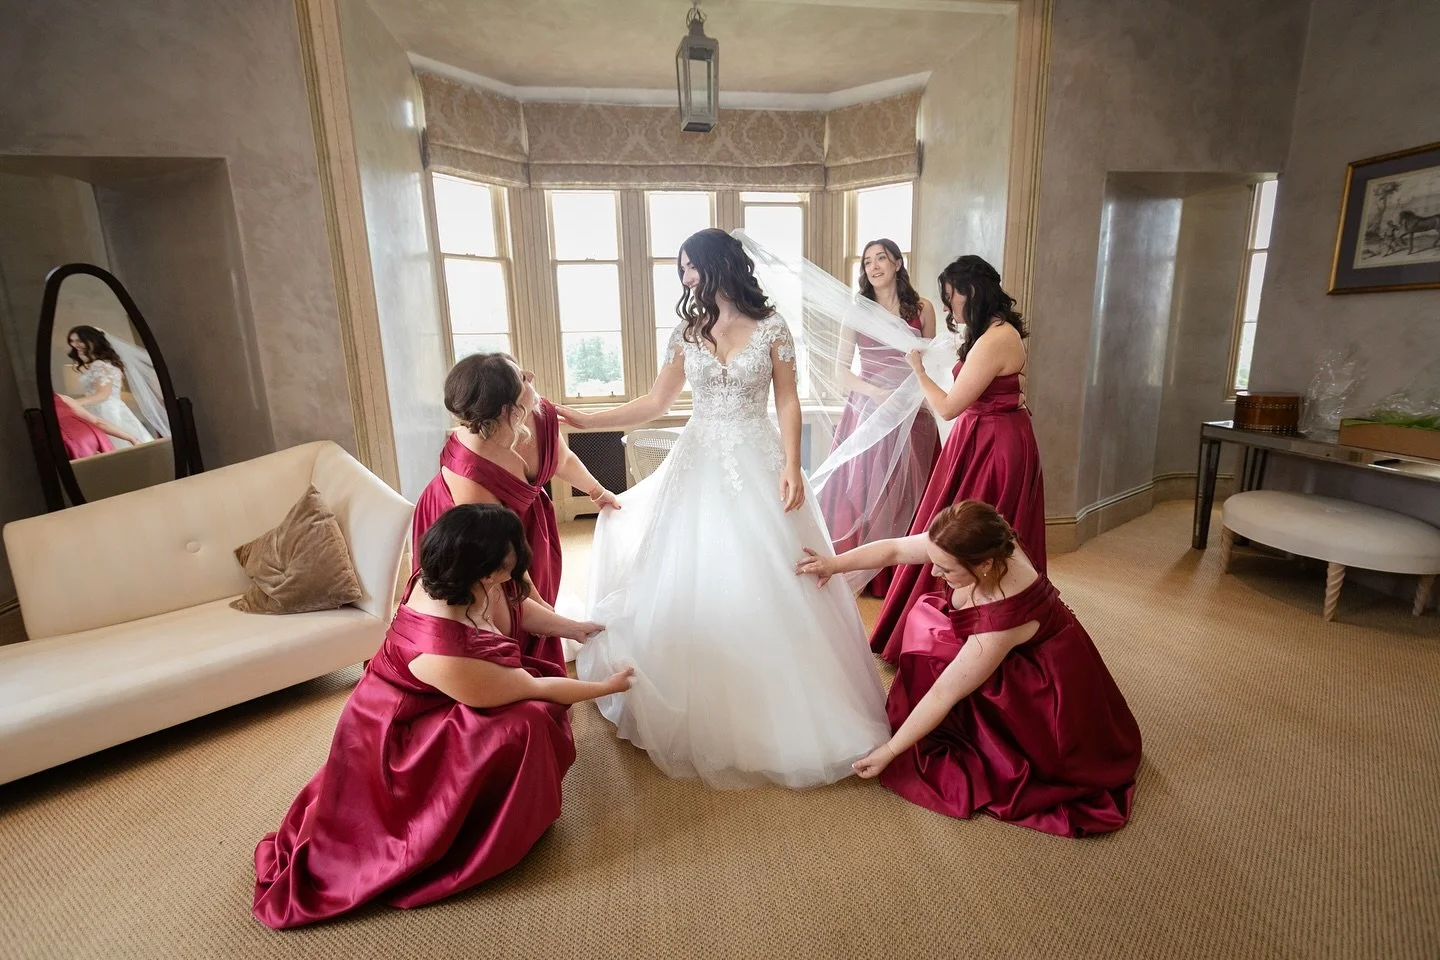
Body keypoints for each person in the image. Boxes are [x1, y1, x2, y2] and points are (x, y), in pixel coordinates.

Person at [557, 228, 889, 790]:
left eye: (690, 267)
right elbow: (656, 402)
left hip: (758, 459)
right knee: (696, 574)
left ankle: (794, 706)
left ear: (717, 266)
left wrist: (790, 463)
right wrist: (590, 420)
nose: (685, 278)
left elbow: (788, 398)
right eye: (682, 270)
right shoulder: (688, 332)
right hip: (699, 460)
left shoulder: (773, 327)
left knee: (775, 576)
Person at [252, 503, 633, 929]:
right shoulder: (440, 647)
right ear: (479, 570)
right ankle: (480, 832)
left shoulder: (465, 574)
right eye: (506, 567)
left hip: (449, 693)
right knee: (526, 723)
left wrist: (573, 628)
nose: (513, 574)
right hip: (402, 730)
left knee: (532, 710)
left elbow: (518, 606)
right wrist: (606, 688)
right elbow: (533, 688)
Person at [797, 500, 1141, 837]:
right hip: (1011, 641)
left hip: (1041, 681)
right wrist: (833, 563)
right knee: (926, 622)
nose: (933, 572)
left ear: (986, 565)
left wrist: (889, 751)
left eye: (945, 569)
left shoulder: (1001, 619)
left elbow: (945, 692)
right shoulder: (979, 537)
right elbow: (895, 551)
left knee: (933, 652)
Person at [868, 255, 1045, 663]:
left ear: (971, 292)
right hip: (983, 435)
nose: (948, 308)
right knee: (953, 524)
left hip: (993, 445)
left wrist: (918, 370)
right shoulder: (990, 332)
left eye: (951, 298)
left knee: (971, 531)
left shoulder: (997, 336)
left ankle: (977, 626)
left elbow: (948, 407)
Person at [412, 353, 620, 669]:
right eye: (521, 377)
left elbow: (562, 460)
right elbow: (504, 561)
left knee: (540, 592)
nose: (531, 374)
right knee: (497, 602)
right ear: (508, 410)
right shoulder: (470, 469)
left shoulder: (538, 411)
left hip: (526, 518)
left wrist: (597, 490)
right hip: (473, 530)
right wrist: (545, 613)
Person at [818, 239, 940, 597]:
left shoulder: (922, 308)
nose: (873, 266)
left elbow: (930, 364)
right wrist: (876, 395)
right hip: (870, 412)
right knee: (867, 491)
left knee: (913, 491)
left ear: (898, 263)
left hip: (914, 412)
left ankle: (904, 577)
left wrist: (914, 397)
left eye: (881, 259)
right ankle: (867, 571)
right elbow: (841, 372)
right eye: (868, 261)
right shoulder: (857, 313)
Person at [67, 326, 156, 447]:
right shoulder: (101, 364)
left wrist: (73, 402)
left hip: (106, 413)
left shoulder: (100, 365)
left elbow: (103, 395)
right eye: (72, 341)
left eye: (79, 341)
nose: (74, 345)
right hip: (102, 410)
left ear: (92, 341)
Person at [52, 392, 139, 459]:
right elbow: (97, 422)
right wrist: (130, 437)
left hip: (68, 441)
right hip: (91, 432)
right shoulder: (62, 398)